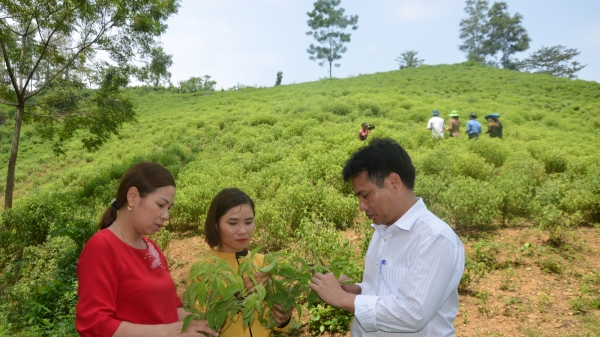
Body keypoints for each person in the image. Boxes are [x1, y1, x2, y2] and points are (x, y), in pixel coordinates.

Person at [310, 138, 465, 336]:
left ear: (394, 182)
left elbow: (413, 314)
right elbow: (386, 293)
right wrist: (357, 290)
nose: (361, 206)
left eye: (365, 195)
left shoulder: (435, 238)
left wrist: (342, 299)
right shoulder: (382, 231)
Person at [76, 162, 218, 337]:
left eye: (169, 208)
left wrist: (214, 316)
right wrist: (165, 332)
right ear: (133, 197)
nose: (166, 216)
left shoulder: (151, 247)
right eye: (160, 205)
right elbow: (94, 324)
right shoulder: (102, 246)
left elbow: (170, 310)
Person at [203, 188, 294, 337]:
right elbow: (203, 326)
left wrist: (283, 319)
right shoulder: (205, 269)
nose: (243, 231)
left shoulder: (263, 262)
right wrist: (238, 296)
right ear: (215, 225)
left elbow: (278, 325)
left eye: (249, 222)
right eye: (233, 223)